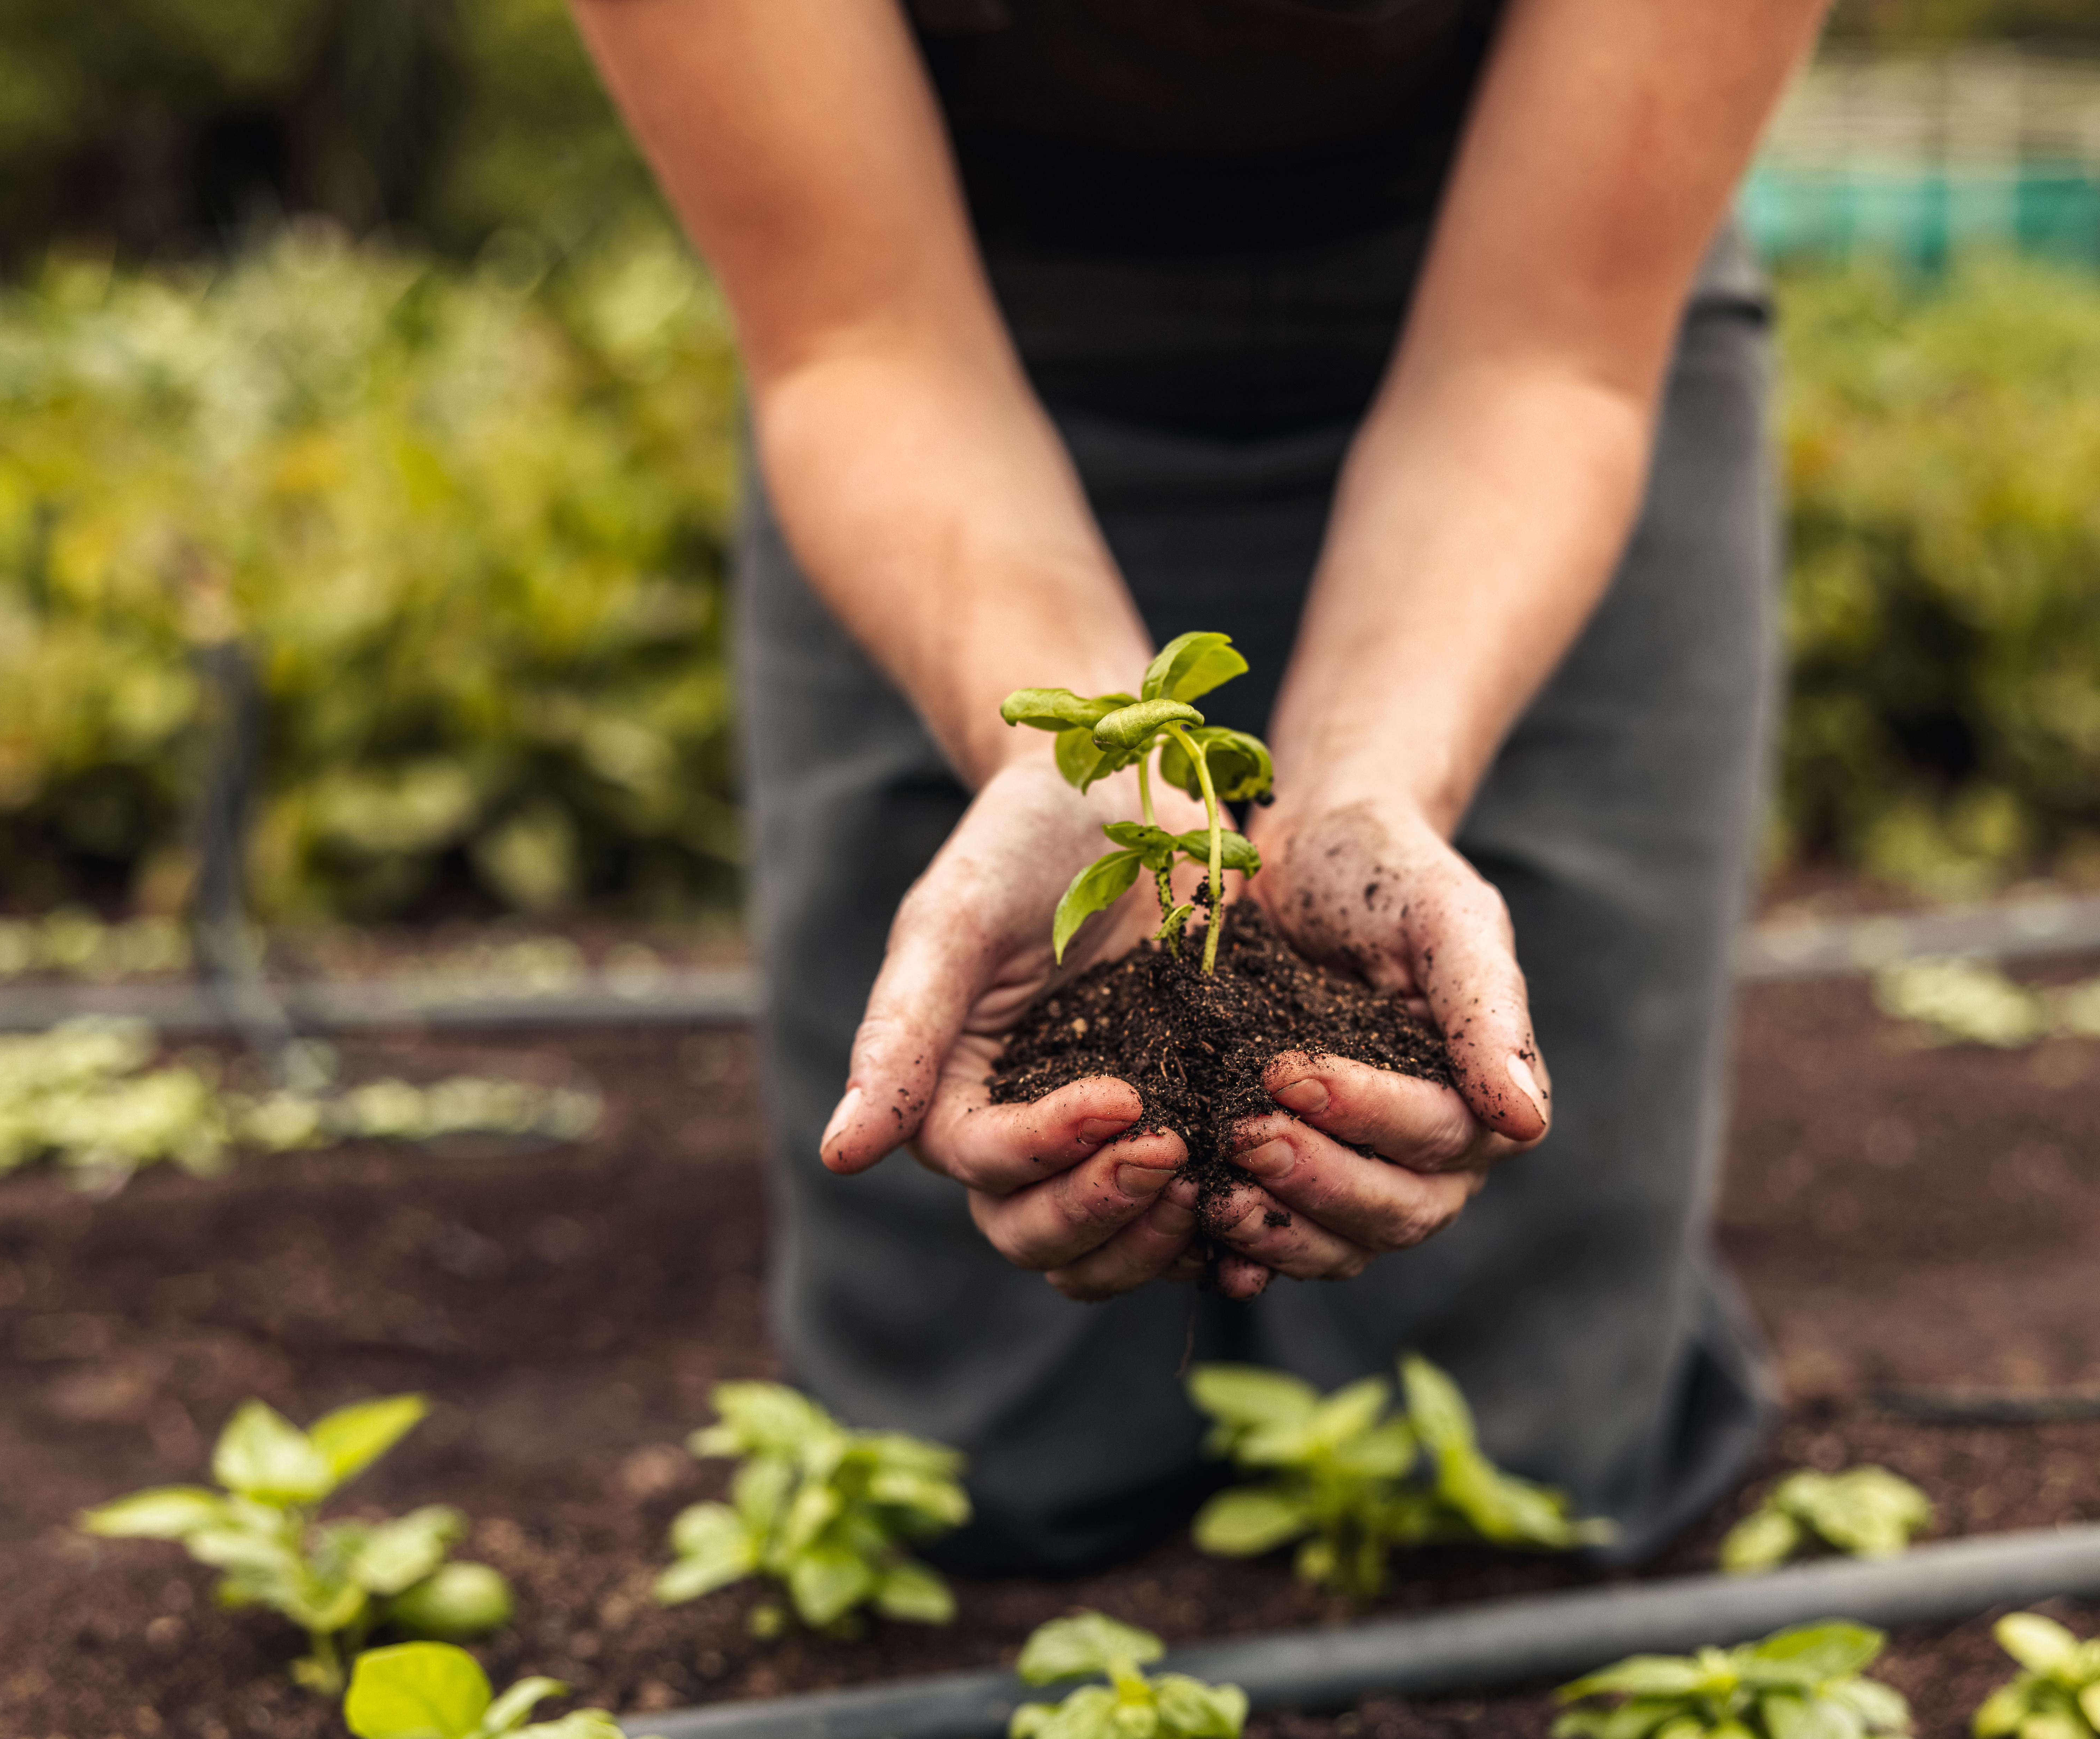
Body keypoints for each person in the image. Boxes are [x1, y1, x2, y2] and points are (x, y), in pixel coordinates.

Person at [568, 0, 1830, 1574]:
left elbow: (1541, 359)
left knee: (1508, 1469)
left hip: (1536, 321)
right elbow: (858, 335)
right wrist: (1070, 757)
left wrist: (1366, 791)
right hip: (936, 331)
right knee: (959, 1468)